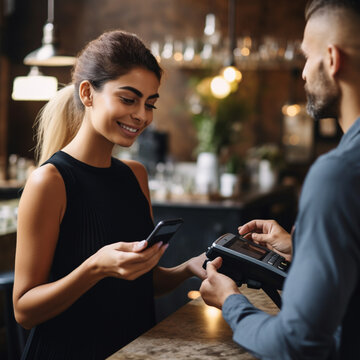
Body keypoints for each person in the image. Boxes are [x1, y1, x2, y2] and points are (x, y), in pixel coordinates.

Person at [13, 30, 206, 360]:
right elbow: (24, 310)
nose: (142, 115)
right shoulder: (50, 181)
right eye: (129, 99)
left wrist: (188, 268)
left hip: (133, 350)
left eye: (150, 104)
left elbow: (142, 282)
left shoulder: (136, 175)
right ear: (87, 93)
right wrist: (95, 268)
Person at [200, 0, 360, 359]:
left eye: (307, 57)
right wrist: (303, 247)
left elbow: (299, 343)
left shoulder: (338, 173)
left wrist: (231, 302)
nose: (303, 72)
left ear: (333, 59)